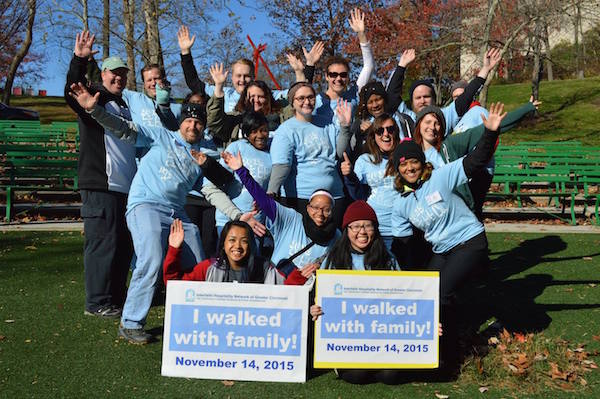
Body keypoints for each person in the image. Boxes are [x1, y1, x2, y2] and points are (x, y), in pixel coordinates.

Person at [68, 83, 262, 344]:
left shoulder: (198, 158)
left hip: (176, 214)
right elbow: (125, 129)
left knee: (199, 263)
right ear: (181, 123)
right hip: (146, 205)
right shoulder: (160, 136)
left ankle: (198, 319)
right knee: (152, 257)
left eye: (198, 122)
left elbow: (211, 192)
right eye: (189, 121)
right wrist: (95, 111)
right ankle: (131, 322)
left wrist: (238, 216)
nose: (193, 126)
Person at [389, 103, 508, 373]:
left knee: (440, 293)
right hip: (443, 250)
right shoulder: (401, 204)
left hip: (469, 241)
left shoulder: (440, 178)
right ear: (398, 169)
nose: (410, 167)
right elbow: (403, 244)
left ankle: (449, 358)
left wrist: (489, 133)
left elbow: (475, 161)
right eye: (404, 163)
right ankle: (436, 346)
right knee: (425, 293)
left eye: (414, 162)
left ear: (423, 164)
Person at [64, 31, 135, 319]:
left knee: (121, 246)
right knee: (102, 244)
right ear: (103, 73)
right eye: (113, 73)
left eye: (122, 74)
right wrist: (79, 59)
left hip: (125, 187)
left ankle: (115, 299)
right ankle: (97, 302)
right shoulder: (94, 97)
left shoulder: (126, 104)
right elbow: (73, 90)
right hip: (101, 184)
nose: (118, 78)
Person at [410, 98, 540, 219]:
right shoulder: (411, 153)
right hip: (428, 216)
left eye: (437, 123)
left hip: (458, 213)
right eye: (428, 122)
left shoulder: (450, 144)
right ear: (419, 124)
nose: (432, 127)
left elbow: (490, 127)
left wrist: (526, 108)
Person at [221, 150, 340, 277]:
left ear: (332, 211)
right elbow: (263, 199)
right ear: (308, 208)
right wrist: (241, 171)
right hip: (278, 283)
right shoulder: (292, 219)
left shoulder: (337, 235)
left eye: (326, 209)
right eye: (315, 208)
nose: (320, 213)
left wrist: (319, 268)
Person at [267, 82, 352, 226]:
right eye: (301, 98)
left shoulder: (327, 124)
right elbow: (282, 166)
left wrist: (345, 127)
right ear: (292, 102)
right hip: (302, 198)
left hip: (334, 196)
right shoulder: (286, 130)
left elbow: (340, 153)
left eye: (310, 97)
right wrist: (271, 194)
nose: (307, 102)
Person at [177, 25, 291, 115]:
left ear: (253, 77)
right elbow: (193, 83)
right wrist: (185, 52)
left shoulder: (265, 95)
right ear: (232, 77)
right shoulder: (224, 93)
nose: (242, 80)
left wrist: (306, 68)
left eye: (246, 76)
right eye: (238, 75)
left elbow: (297, 93)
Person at [390, 48, 502, 137]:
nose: (422, 101)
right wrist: (401, 66)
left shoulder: (444, 116)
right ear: (412, 101)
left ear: (434, 99)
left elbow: (467, 96)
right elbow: (392, 96)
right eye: (418, 98)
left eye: (426, 96)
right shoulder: (407, 118)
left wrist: (485, 69)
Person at [341, 115, 400, 252]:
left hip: (400, 229)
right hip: (374, 230)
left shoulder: (404, 157)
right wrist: (349, 176)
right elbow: (358, 196)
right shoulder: (364, 160)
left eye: (390, 129)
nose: (386, 134)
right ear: (374, 136)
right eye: (380, 130)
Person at [163, 219, 285, 284]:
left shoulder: (264, 269)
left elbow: (289, 293)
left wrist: (298, 277)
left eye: (244, 241)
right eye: (232, 240)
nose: (237, 246)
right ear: (223, 244)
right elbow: (174, 285)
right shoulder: (208, 268)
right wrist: (174, 250)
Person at [349, 49, 416, 158]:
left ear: (385, 99)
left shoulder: (400, 119)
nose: (375, 105)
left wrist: (402, 65)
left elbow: (394, 90)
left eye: (378, 99)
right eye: (370, 102)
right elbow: (354, 151)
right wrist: (359, 133)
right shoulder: (361, 124)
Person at [314, 8, 375, 123]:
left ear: (347, 77)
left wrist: (361, 34)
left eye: (343, 75)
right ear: (326, 76)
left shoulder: (352, 97)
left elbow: (369, 66)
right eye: (333, 74)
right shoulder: (314, 102)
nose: (338, 79)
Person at [206, 65, 283, 145]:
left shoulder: (281, 119)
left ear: (267, 98)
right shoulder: (235, 120)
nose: (256, 100)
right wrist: (219, 86)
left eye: (260, 97)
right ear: (245, 99)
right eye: (252, 96)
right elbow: (215, 122)